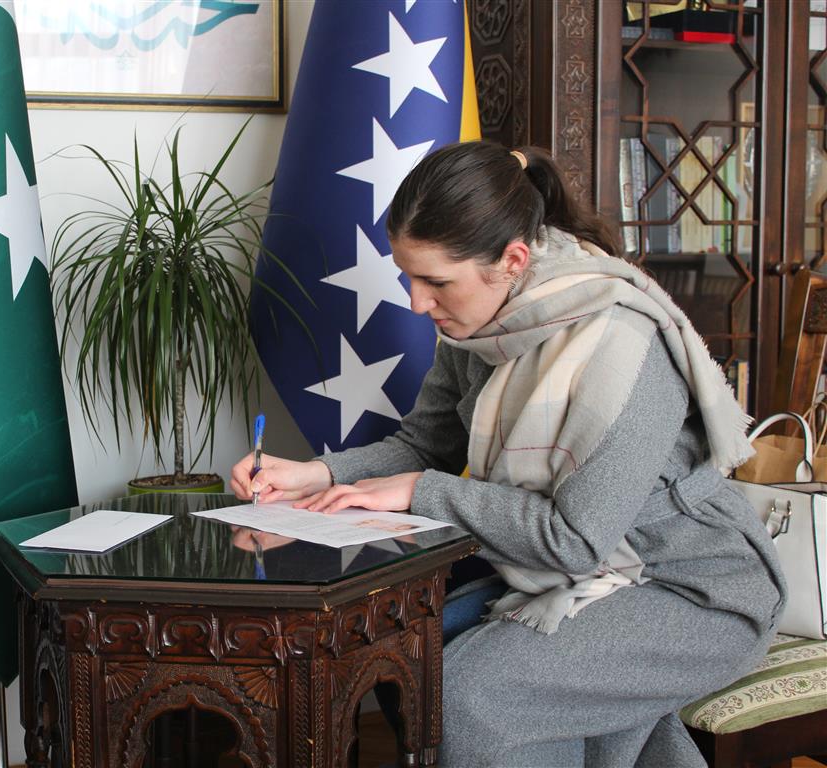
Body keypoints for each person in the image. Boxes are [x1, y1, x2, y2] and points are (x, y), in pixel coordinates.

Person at [231, 141, 785, 767]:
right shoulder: (480, 327)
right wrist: (314, 474)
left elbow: (575, 540)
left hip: (692, 588)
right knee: (400, 651)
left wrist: (422, 491)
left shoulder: (626, 347)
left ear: (513, 260)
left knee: (473, 696)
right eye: (408, 277)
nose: (416, 303)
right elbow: (423, 446)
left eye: (436, 281)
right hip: (579, 574)